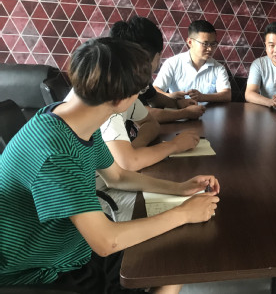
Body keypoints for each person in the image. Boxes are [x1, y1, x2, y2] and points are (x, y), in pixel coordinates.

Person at [0, 37, 220, 294]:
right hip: (40, 269)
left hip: (71, 242)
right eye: (138, 92)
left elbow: (117, 176)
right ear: (120, 99)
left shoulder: (71, 117)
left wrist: (179, 188)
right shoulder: (55, 152)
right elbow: (106, 242)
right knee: (173, 266)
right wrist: (183, 214)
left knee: (172, 258)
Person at [110, 16, 206, 123]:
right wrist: (185, 113)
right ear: (155, 55)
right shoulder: (121, 81)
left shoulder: (134, 73)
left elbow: (154, 97)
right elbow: (146, 115)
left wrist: (177, 103)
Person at [154, 19, 232, 104]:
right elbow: (156, 90)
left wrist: (203, 97)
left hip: (207, 111)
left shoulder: (219, 68)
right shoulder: (172, 63)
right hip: (178, 111)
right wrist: (171, 97)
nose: (210, 49)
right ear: (190, 42)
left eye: (213, 44)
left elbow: (227, 95)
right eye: (205, 44)